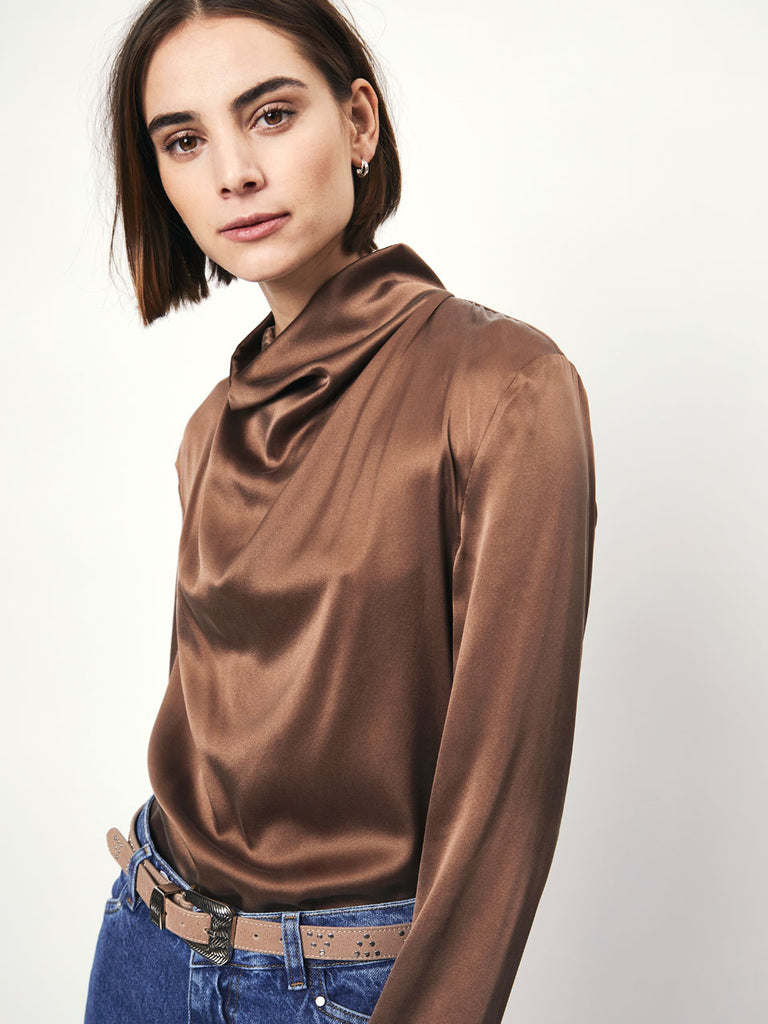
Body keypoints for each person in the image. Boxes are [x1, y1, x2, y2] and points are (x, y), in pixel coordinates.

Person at [84, 1, 597, 1022]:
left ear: (359, 122)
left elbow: (502, 798)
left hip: (332, 988)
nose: (233, 171)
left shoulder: (504, 388)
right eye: (184, 141)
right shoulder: (209, 428)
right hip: (146, 945)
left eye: (270, 115)